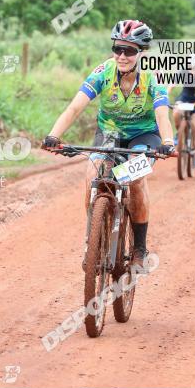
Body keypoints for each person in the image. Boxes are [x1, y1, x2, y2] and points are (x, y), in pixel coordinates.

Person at [41, 20, 174, 269]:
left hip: (144, 136)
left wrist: (167, 142)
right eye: (117, 49)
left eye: (130, 50)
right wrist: (53, 135)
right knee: (93, 174)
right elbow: (75, 107)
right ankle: (92, 239)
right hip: (109, 132)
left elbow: (162, 114)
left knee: (134, 178)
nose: (122, 56)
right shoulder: (103, 71)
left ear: (142, 53)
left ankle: (139, 248)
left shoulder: (153, 76)